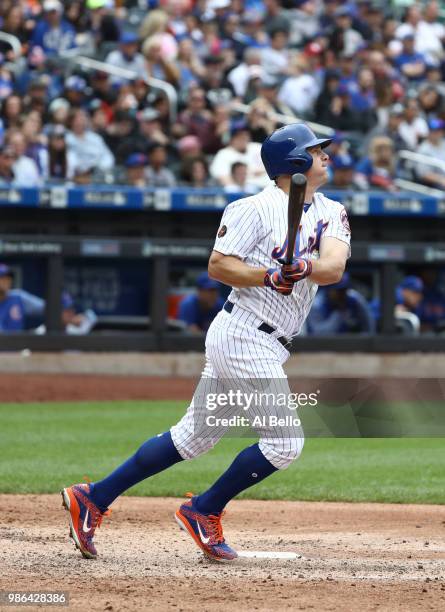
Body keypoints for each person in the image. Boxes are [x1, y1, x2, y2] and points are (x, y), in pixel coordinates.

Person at [61, 122, 350, 562]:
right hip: (243, 335)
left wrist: (302, 268)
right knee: (285, 443)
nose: (326, 155)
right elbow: (219, 266)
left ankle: (93, 497)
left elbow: (332, 268)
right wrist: (268, 275)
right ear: (294, 162)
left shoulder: (333, 211)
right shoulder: (251, 209)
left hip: (267, 341)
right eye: (316, 150)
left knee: (192, 438)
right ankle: (204, 509)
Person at [307, 272, 375, 334]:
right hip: (321, 345)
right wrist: (338, 316)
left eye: (344, 290)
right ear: (329, 289)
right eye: (338, 290)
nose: (342, 294)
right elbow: (317, 333)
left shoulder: (354, 299)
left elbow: (369, 325)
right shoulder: (317, 304)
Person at [0, 264, 24, 332]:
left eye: (8, 278)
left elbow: (49, 308)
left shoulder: (17, 297)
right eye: (2, 278)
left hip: (18, 341)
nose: (7, 281)